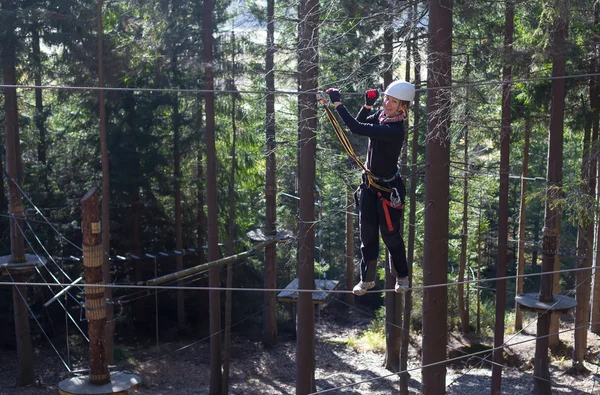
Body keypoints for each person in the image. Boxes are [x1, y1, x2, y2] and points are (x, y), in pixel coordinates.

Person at [326, 81, 415, 295]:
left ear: (403, 107)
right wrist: (367, 107)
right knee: (367, 234)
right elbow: (360, 121)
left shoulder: (393, 129)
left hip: (387, 190)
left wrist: (338, 103)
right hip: (369, 186)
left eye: (393, 102)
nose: (387, 103)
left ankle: (402, 276)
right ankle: (366, 280)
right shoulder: (383, 116)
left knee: (391, 235)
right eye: (386, 98)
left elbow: (356, 128)